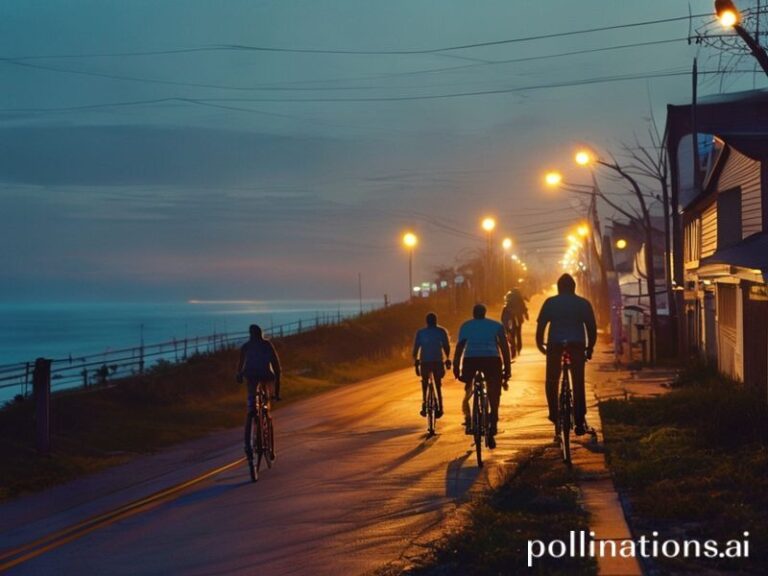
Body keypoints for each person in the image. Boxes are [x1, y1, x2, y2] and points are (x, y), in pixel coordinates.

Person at [536, 273, 597, 438]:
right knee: (578, 381)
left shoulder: (550, 303)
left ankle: (554, 416)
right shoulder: (583, 303)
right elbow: (591, 328)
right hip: (577, 344)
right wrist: (589, 348)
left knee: (551, 380)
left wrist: (540, 345)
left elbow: (541, 326)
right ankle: (579, 419)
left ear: (558, 287)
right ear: (574, 287)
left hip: (555, 344)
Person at [453, 303, 511, 449]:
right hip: (492, 360)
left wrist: (456, 368)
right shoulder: (496, 325)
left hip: (471, 360)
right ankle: (493, 421)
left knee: (468, 385)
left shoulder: (465, 326)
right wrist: (507, 369)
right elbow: (504, 347)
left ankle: (470, 417)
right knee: (494, 392)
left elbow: (460, 347)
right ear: (485, 313)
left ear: (474, 314)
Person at [412, 312, 451, 418]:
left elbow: (416, 348)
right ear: (436, 321)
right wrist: (447, 358)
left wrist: (416, 362)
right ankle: (440, 408)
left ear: (426, 322)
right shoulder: (441, 331)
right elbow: (446, 346)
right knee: (438, 384)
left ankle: (424, 405)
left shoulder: (421, 332)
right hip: (437, 361)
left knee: (425, 382)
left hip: (425, 361)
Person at [237, 324, 282, 411]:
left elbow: (240, 364)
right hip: (265, 374)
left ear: (250, 334)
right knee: (266, 388)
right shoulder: (267, 344)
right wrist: (277, 393)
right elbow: (275, 364)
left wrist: (239, 374)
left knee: (251, 390)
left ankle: (251, 406)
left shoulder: (246, 346)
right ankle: (265, 405)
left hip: (250, 374)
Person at [501, 288, 529, 358]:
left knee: (511, 334)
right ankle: (519, 348)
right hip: (518, 319)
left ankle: (513, 350)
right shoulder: (519, 299)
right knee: (518, 334)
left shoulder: (508, 299)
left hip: (510, 320)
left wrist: (504, 323)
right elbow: (523, 307)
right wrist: (526, 315)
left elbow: (504, 315)